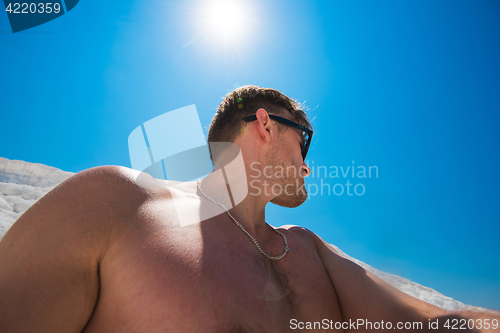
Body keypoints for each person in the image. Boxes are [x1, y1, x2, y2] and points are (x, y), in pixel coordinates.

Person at [0, 86, 498, 332]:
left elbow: (435, 325)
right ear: (265, 124)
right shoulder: (118, 202)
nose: (307, 167)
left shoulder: (309, 251)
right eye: (305, 143)